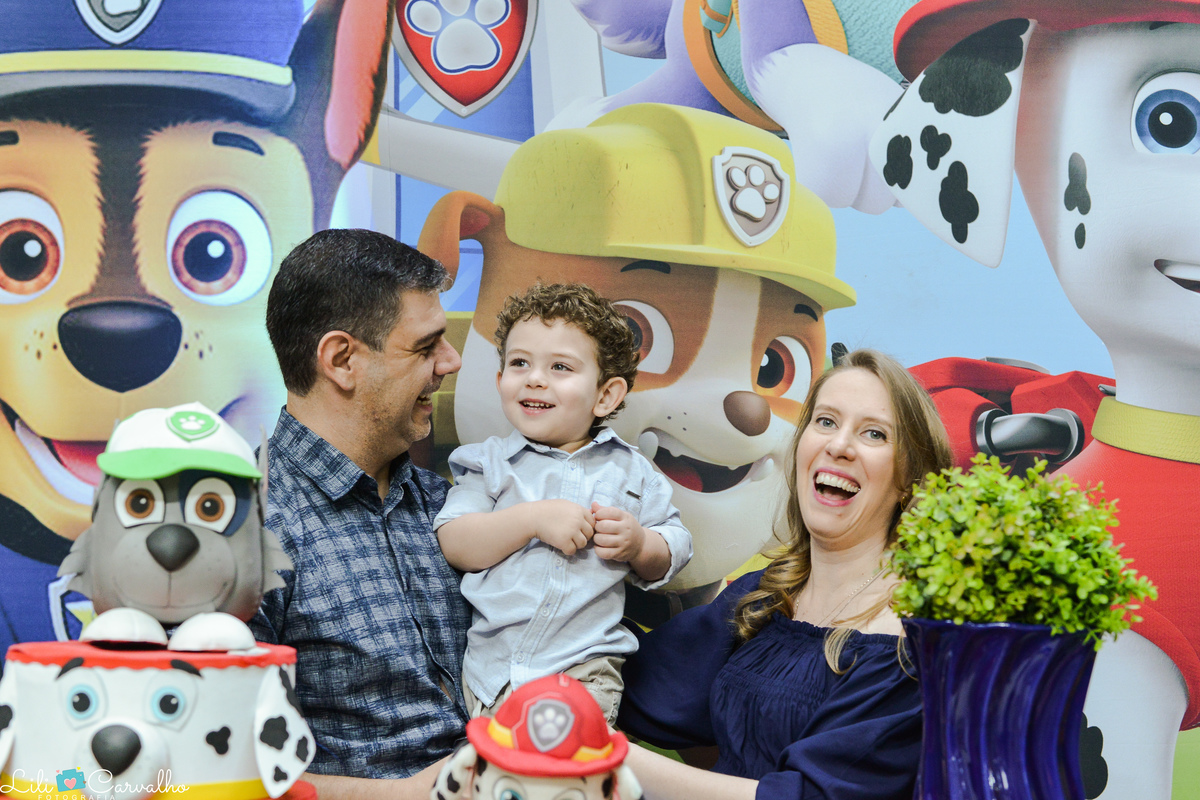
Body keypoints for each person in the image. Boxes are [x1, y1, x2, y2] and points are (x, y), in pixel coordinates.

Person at [616, 348, 953, 800]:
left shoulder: (910, 639)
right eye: (826, 422)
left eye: (874, 433)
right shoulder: (766, 595)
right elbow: (634, 686)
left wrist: (607, 759)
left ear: (910, 475)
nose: (839, 445)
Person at [250, 229, 467, 800]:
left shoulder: (455, 506)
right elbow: (212, 770)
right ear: (342, 360)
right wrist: (416, 794)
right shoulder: (245, 529)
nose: (453, 360)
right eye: (426, 347)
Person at [434, 283, 693, 723]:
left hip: (583, 672)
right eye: (520, 363)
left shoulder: (633, 472)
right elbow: (456, 541)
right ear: (500, 382)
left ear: (605, 396)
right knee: (499, 781)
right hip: (491, 673)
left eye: (559, 367)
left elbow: (677, 547)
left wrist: (639, 544)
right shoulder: (488, 462)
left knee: (561, 780)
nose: (535, 378)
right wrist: (532, 519)